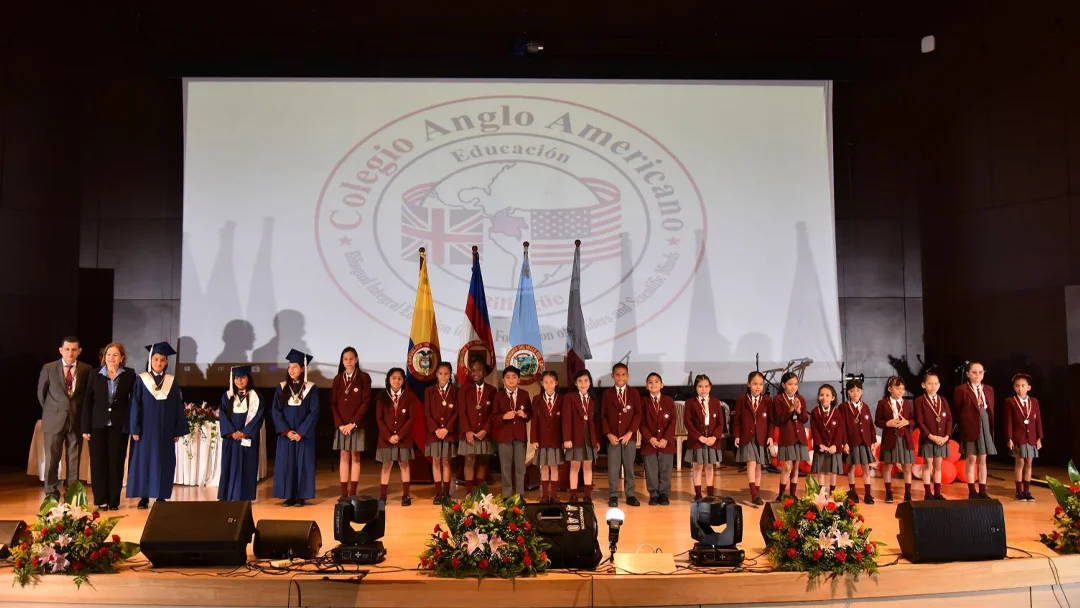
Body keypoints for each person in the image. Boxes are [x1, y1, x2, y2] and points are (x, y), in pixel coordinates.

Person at [126, 342, 188, 509]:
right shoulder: (141, 379)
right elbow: (135, 404)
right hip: (146, 430)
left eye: (162, 360)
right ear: (150, 360)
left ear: (166, 362)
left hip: (166, 430)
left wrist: (177, 429)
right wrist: (134, 428)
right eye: (156, 359)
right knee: (144, 461)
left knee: (164, 461)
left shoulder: (171, 381)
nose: (159, 363)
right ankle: (144, 496)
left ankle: (161, 495)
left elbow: (177, 406)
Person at [80, 343, 135, 510]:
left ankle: (114, 501)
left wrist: (133, 426)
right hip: (97, 426)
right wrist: (85, 427)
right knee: (98, 464)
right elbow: (87, 402)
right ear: (104, 357)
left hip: (119, 426)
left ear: (122, 358)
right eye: (108, 354)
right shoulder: (94, 374)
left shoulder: (129, 375)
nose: (111, 358)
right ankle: (101, 499)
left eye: (115, 355)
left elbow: (133, 402)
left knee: (116, 464)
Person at [37, 336, 93, 500]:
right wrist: (53, 411)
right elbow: (41, 394)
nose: (70, 352)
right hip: (54, 420)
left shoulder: (86, 369)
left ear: (79, 351)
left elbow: (87, 396)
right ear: (61, 350)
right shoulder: (49, 368)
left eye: (74, 349)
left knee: (73, 459)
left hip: (75, 420)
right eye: (67, 349)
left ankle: (72, 493)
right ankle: (50, 493)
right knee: (52, 459)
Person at [272, 349, 319, 507]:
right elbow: (276, 411)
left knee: (303, 464)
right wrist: (286, 431)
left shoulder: (311, 389)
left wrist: (301, 432)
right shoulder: (282, 388)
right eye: (289, 367)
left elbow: (314, 412)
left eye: (295, 367)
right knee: (287, 464)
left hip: (303, 435)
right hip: (287, 435)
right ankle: (288, 496)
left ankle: (301, 497)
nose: (291, 370)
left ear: (303, 369)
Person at [218, 365, 265, 502]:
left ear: (248, 378)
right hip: (231, 438)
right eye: (237, 378)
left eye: (243, 377)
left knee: (246, 466)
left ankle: (244, 496)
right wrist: (232, 432)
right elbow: (222, 415)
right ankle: (226, 495)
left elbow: (258, 416)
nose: (239, 381)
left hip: (247, 438)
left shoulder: (255, 396)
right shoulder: (227, 396)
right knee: (228, 464)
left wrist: (245, 432)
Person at [331, 346, 371, 499]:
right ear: (342, 361)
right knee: (343, 456)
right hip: (341, 426)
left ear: (357, 359)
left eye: (351, 359)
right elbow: (333, 403)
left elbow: (366, 402)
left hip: (356, 425)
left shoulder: (364, 378)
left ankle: (353, 492)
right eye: (345, 359)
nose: (348, 362)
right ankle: (343, 493)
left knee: (355, 457)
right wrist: (341, 425)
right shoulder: (337, 379)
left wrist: (353, 423)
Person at [602, 363, 642, 508]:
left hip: (628, 437)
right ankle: (613, 495)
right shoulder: (607, 394)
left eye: (623, 374)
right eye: (617, 374)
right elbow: (604, 416)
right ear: (612, 376)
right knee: (613, 467)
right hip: (613, 437)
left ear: (628, 376)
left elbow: (638, 414)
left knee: (629, 467)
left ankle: (630, 494)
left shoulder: (634, 393)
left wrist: (631, 432)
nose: (620, 377)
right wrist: (608, 434)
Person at [954, 362, 996, 499]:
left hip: (984, 425)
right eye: (974, 372)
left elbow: (990, 410)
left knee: (983, 458)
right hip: (969, 426)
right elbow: (957, 410)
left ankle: (983, 490)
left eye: (980, 372)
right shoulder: (962, 390)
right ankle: (972, 490)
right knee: (971, 458)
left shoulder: (988, 389)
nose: (977, 375)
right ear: (967, 374)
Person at [376, 367, 416, 506]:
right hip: (386, 439)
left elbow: (411, 418)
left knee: (404, 464)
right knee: (386, 465)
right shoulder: (382, 396)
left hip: (403, 438)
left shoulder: (409, 396)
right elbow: (379, 419)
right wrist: (389, 436)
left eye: (399, 378)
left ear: (403, 380)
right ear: (388, 380)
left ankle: (406, 495)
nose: (396, 381)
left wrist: (399, 435)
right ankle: (382, 497)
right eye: (393, 378)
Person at [733, 371, 773, 506]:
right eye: (755, 384)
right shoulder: (741, 399)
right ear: (749, 384)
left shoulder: (767, 400)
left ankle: (757, 491)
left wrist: (770, 436)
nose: (757, 387)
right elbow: (736, 419)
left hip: (760, 436)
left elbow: (771, 421)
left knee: (758, 466)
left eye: (760, 384)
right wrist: (737, 435)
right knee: (751, 462)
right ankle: (754, 494)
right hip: (747, 436)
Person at [458, 359, 496, 495]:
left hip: (484, 433)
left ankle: (480, 492)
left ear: (485, 372)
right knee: (469, 458)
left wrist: (485, 430)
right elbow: (461, 412)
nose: (476, 373)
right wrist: (467, 431)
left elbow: (493, 413)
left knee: (482, 459)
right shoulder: (464, 389)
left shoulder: (492, 390)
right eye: (473, 370)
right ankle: (469, 492)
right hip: (469, 432)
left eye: (479, 370)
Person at [684, 374, 725, 502]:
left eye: (706, 386)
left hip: (711, 437)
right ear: (695, 388)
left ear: (710, 387)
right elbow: (688, 423)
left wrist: (714, 437)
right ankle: (698, 494)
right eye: (700, 386)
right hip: (697, 438)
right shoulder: (690, 403)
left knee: (709, 466)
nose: (703, 389)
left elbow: (720, 423)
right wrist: (699, 437)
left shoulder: (716, 402)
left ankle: (710, 493)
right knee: (697, 466)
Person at [876, 376, 915, 503]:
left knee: (907, 466)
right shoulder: (883, 403)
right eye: (897, 388)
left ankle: (908, 493)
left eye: (903, 389)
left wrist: (907, 422)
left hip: (904, 438)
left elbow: (914, 420)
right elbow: (877, 421)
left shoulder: (907, 404)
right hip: (890, 437)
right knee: (888, 465)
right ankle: (888, 492)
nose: (900, 391)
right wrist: (888, 423)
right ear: (889, 389)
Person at [494, 366, 531, 499]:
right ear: (503, 380)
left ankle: (519, 495)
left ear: (519, 380)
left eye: (514, 377)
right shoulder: (498, 396)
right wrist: (503, 417)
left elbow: (530, 413)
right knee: (505, 467)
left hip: (520, 436)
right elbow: (493, 416)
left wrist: (525, 414)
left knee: (520, 467)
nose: (511, 380)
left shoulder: (524, 394)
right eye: (508, 377)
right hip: (504, 436)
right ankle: (507, 495)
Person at [562, 369, 599, 503]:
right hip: (574, 437)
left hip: (589, 437)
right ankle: (573, 495)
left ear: (590, 382)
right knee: (574, 466)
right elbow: (566, 419)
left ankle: (587, 495)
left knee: (588, 466)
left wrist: (597, 440)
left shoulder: (593, 398)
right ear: (575, 383)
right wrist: (567, 438)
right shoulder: (570, 397)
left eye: (586, 381)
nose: (583, 384)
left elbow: (596, 421)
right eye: (580, 381)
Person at [425, 361, 458, 504]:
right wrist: (436, 429)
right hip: (434, 432)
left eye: (446, 374)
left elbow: (457, 412)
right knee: (436, 460)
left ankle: (446, 492)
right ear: (436, 375)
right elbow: (427, 413)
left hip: (448, 432)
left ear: (450, 375)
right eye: (440, 373)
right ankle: (438, 493)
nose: (443, 376)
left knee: (446, 460)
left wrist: (447, 429)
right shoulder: (429, 391)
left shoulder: (456, 391)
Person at [1005, 372, 1042, 502]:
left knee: (1029, 463)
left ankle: (1027, 491)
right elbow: (1008, 421)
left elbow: (1038, 420)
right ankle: (1018, 491)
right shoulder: (1010, 401)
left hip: (1031, 437)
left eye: (1023, 385)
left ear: (1028, 387)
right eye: (1017, 386)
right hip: (1018, 437)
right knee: (1019, 462)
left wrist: (1039, 437)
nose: (1020, 388)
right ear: (1014, 388)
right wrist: (1009, 438)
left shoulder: (1034, 401)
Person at [641, 372, 676, 506]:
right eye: (650, 382)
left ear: (662, 385)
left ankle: (664, 494)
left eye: (656, 381)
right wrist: (650, 438)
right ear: (646, 386)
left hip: (665, 443)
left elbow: (672, 422)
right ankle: (654, 494)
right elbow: (641, 423)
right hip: (649, 443)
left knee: (665, 469)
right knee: (651, 470)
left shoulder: (668, 401)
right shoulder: (643, 401)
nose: (653, 384)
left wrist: (666, 439)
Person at [915, 371, 951, 500]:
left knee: (938, 466)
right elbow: (920, 421)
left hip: (942, 439)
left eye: (936, 383)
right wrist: (930, 436)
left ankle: (937, 492)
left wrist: (946, 436)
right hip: (928, 439)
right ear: (923, 385)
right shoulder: (920, 401)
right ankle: (928, 493)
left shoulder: (943, 400)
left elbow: (949, 420)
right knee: (927, 465)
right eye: (930, 383)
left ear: (939, 385)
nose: (933, 386)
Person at [773, 372, 809, 499]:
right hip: (787, 437)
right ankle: (781, 494)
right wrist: (790, 409)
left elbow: (805, 419)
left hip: (799, 437)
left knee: (796, 466)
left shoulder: (801, 399)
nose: (793, 387)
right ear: (783, 385)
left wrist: (799, 411)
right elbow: (778, 420)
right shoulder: (778, 399)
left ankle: (792, 494)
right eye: (790, 384)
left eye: (795, 384)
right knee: (787, 466)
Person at [531, 370, 564, 504]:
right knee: (544, 466)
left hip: (557, 439)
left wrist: (564, 439)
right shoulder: (537, 399)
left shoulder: (562, 399)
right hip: (542, 439)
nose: (549, 385)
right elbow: (534, 421)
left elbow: (565, 421)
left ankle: (554, 495)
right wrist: (533, 439)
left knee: (554, 466)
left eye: (551, 382)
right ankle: (545, 495)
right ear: (542, 384)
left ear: (556, 383)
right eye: (546, 382)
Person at [842, 378, 876, 504]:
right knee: (850, 467)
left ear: (862, 391)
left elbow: (870, 424)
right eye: (852, 391)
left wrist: (872, 441)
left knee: (866, 467)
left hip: (865, 441)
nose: (855, 393)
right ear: (848, 393)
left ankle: (867, 494)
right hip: (851, 442)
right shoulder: (844, 407)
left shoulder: (865, 406)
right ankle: (852, 492)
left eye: (858, 390)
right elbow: (842, 427)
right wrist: (844, 442)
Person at [810, 384, 845, 493]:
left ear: (832, 398)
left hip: (834, 448)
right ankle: (821, 491)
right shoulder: (815, 412)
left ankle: (832, 491)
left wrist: (835, 445)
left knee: (833, 471)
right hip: (821, 447)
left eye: (827, 395)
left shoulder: (837, 412)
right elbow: (814, 430)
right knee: (821, 470)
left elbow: (840, 431)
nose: (824, 398)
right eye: (821, 395)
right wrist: (820, 444)